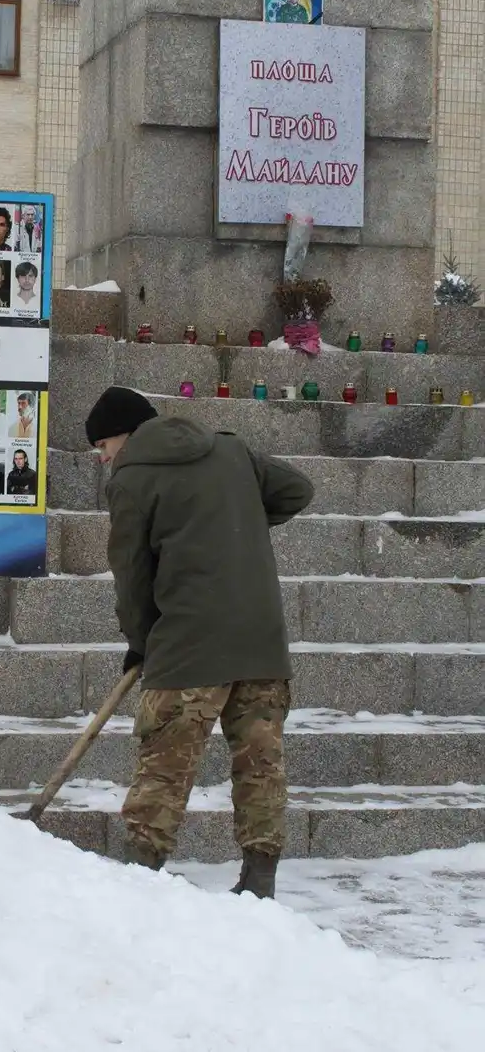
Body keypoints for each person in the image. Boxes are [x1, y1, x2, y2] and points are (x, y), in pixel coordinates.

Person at [84, 386, 315, 900]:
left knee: (164, 767)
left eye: (103, 445)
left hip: (187, 645)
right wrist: (236, 525)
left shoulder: (132, 479)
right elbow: (297, 489)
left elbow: (131, 577)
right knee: (261, 764)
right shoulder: (229, 449)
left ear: (126, 433)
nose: (103, 458)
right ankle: (259, 882)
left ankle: (140, 879)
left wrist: (140, 642)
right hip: (261, 641)